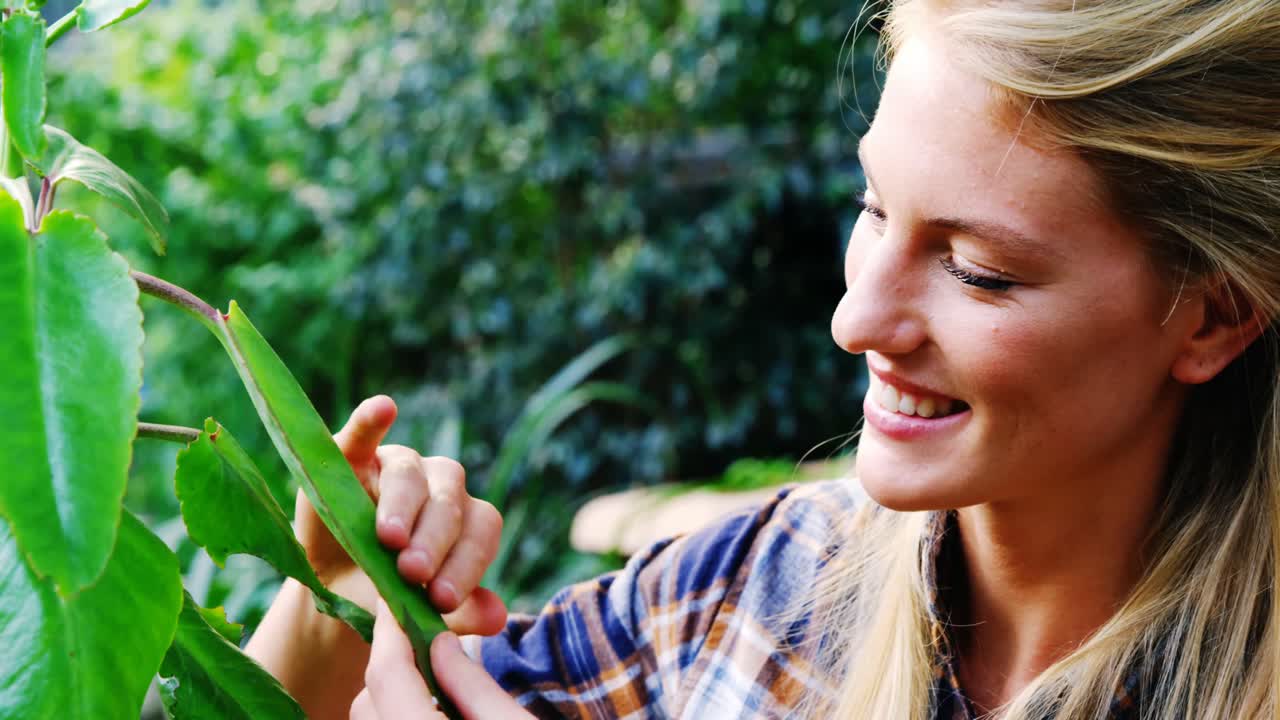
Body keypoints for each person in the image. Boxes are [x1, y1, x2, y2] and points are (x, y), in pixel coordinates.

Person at [246, 0, 1280, 717]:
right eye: (873, 209)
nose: (855, 318)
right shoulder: (754, 595)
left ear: (1211, 318)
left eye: (976, 271)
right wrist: (341, 593)